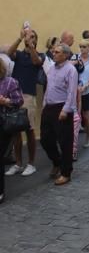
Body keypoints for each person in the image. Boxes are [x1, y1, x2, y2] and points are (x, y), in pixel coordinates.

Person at [6, 27, 45, 177]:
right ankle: (17, 163)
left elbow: (37, 62)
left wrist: (31, 46)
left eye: (34, 36)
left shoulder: (38, 55)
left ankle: (31, 163)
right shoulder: (19, 55)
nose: (31, 38)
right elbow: (8, 54)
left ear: (36, 39)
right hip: (15, 96)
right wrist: (20, 38)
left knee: (29, 130)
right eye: (30, 36)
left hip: (29, 97)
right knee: (15, 131)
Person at [40, 44, 78, 186]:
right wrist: (44, 103)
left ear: (65, 55)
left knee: (65, 142)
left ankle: (66, 172)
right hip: (49, 107)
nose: (53, 54)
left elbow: (72, 92)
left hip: (62, 108)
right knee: (45, 139)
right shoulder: (51, 69)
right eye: (53, 51)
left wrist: (65, 110)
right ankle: (57, 162)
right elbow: (48, 87)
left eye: (57, 52)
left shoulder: (71, 70)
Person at [0, 60, 24, 204]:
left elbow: (18, 101)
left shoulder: (10, 82)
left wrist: (5, 101)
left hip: (3, 123)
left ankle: (0, 191)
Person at [75, 39, 89, 150]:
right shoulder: (76, 58)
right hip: (75, 91)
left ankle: (88, 138)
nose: (82, 49)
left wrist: (86, 86)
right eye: (81, 47)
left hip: (86, 91)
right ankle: (73, 140)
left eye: (84, 47)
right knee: (74, 116)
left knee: (86, 115)